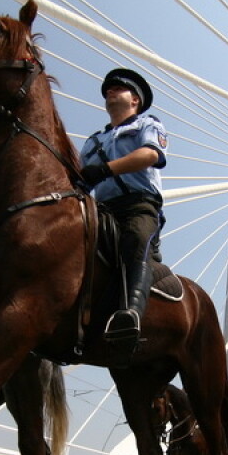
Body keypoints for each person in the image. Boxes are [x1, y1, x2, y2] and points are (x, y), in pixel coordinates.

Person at [79, 68, 168, 355]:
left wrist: (103, 169)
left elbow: (150, 155)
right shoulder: (92, 142)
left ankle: (131, 315)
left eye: (119, 88)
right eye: (108, 89)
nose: (110, 92)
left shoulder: (147, 124)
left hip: (138, 205)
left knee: (135, 238)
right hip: (101, 209)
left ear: (135, 101)